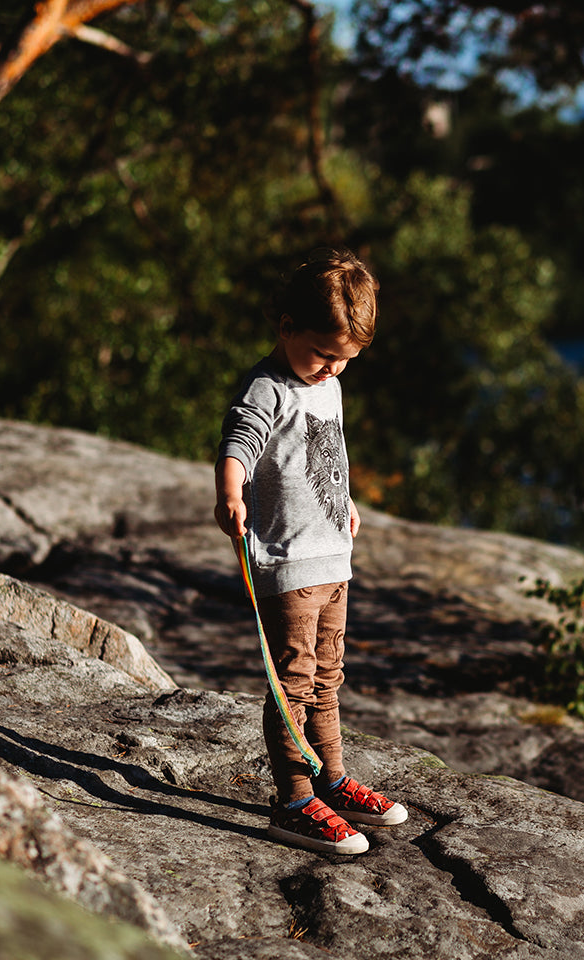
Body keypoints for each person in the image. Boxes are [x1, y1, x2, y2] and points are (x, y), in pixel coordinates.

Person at [214, 247, 407, 855]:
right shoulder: (267, 386)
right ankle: (294, 801)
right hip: (289, 564)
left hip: (332, 556)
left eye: (344, 361)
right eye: (322, 354)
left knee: (329, 678)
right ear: (287, 326)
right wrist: (229, 492)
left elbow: (328, 454)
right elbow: (240, 440)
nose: (330, 370)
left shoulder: (328, 386)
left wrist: (342, 501)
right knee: (292, 684)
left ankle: (332, 778)